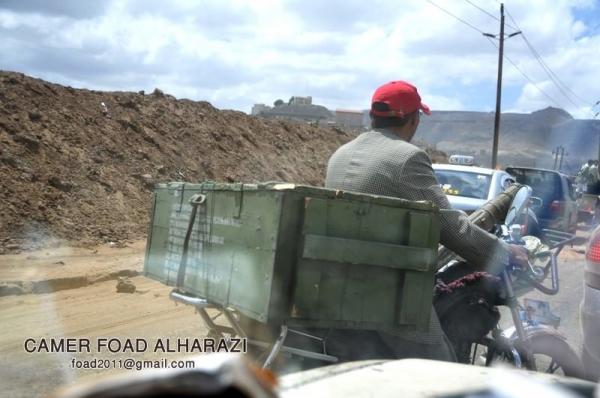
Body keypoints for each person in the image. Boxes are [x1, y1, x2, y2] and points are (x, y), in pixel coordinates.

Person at [324, 80, 529, 362]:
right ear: (413, 120)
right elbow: (450, 227)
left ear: (373, 117)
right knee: (442, 370)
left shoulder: (340, 155)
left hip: (332, 285)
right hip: (386, 295)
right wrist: (502, 252)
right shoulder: (408, 158)